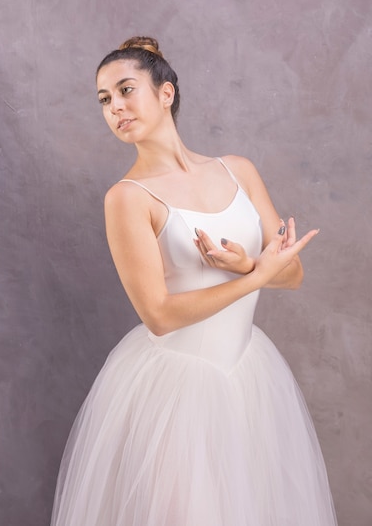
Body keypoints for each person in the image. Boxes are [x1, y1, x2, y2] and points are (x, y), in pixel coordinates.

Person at [50, 37, 337, 526]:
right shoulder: (127, 198)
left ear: (165, 93)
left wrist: (248, 266)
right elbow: (158, 315)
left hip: (248, 377)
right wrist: (256, 278)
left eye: (125, 90)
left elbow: (291, 274)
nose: (115, 107)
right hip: (175, 389)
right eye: (104, 100)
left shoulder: (238, 170)